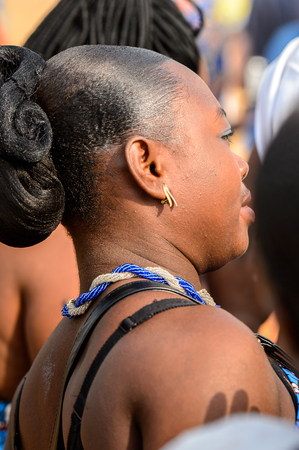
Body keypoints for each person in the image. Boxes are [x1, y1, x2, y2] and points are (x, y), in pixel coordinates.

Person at [1, 43, 298, 450]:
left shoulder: (37, 384)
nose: (242, 164)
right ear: (150, 166)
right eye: (224, 136)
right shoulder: (203, 350)